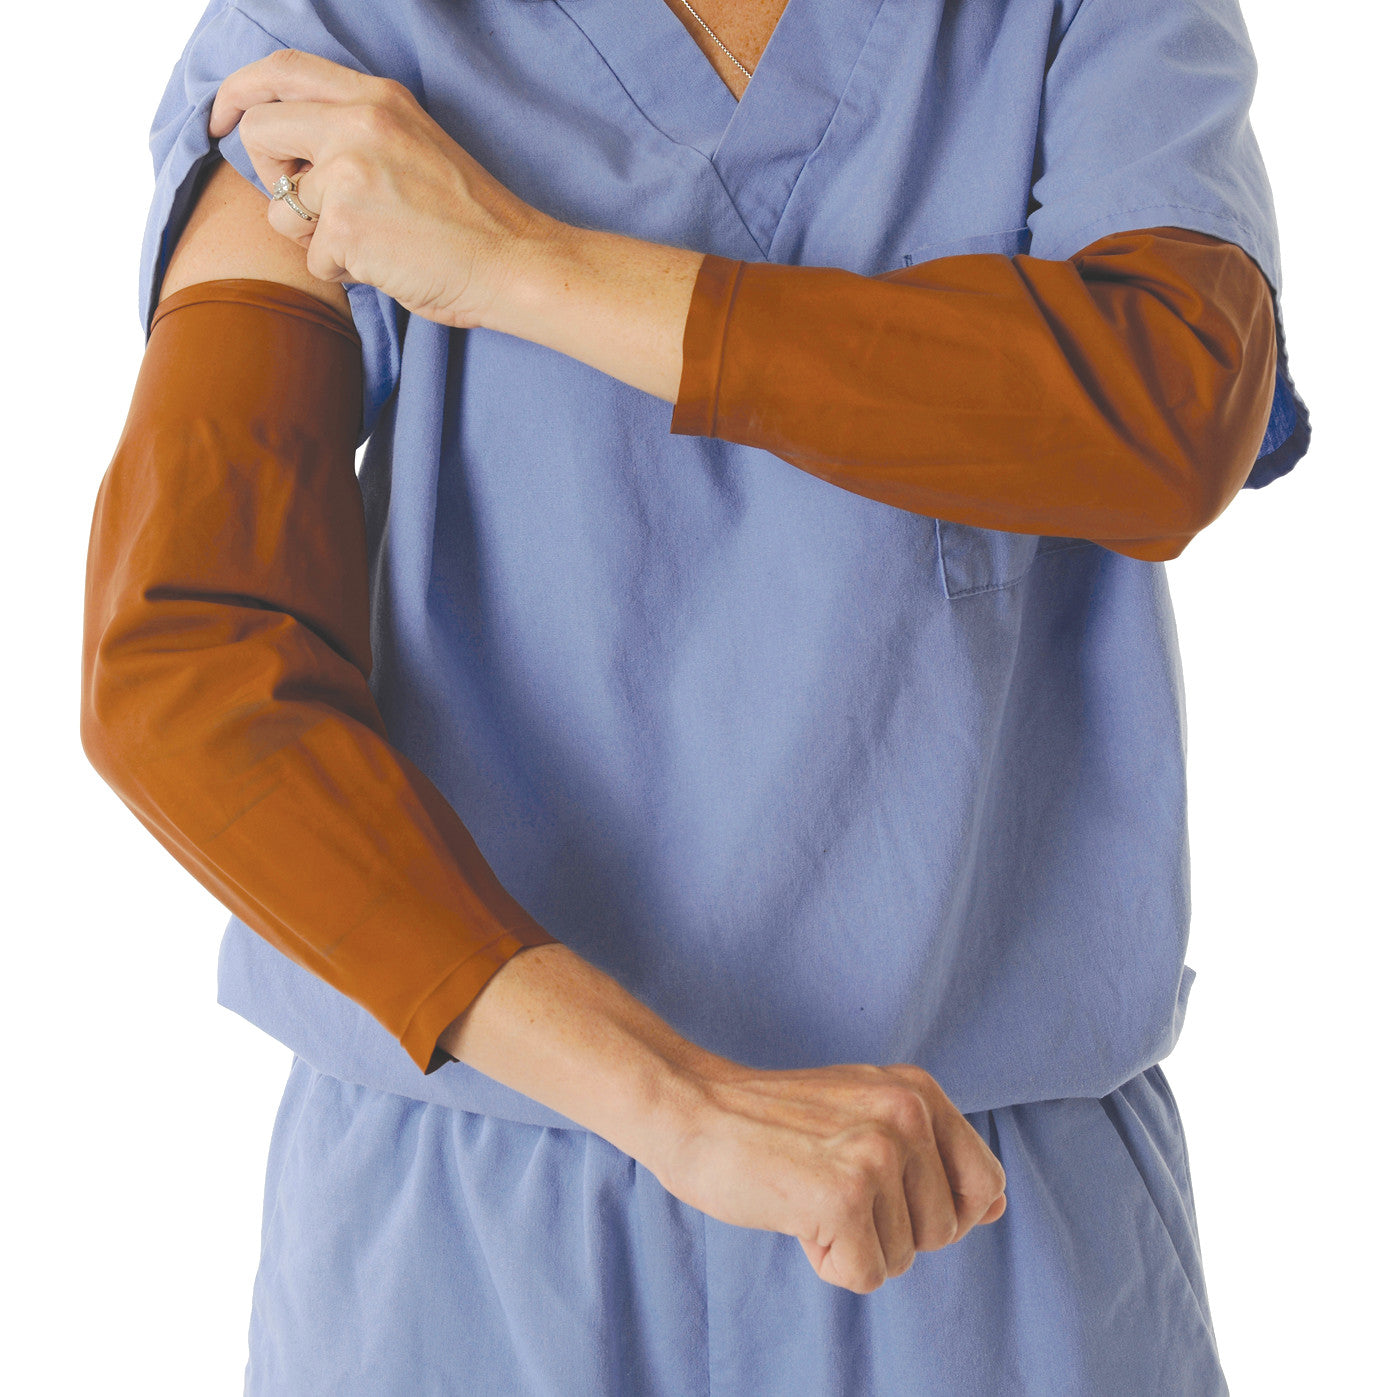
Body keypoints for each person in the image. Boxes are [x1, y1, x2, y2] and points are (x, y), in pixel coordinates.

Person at [81, 0, 1309, 1391]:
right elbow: (193, 649)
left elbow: (1162, 400)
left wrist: (519, 259)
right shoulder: (337, 30)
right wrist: (667, 1098)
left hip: (967, 1208)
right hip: (472, 1215)